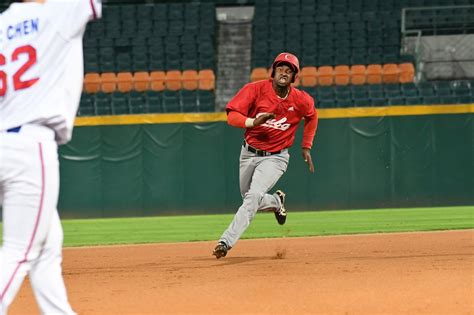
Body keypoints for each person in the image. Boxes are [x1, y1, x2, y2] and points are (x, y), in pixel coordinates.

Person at [0, 0, 101, 313]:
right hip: (30, 145)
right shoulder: (58, 11)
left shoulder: (2, 23)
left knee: (47, 245)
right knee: (19, 250)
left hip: (5, 138)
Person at [213, 52, 318, 259]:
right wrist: (253, 122)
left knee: (252, 197)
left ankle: (225, 241)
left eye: (289, 71)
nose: (284, 73)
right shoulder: (255, 90)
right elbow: (232, 116)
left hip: (276, 157)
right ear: (273, 71)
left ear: (294, 77)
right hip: (249, 153)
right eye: (280, 68)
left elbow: (312, 116)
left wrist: (306, 146)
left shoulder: (301, 100)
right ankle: (277, 203)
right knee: (249, 198)